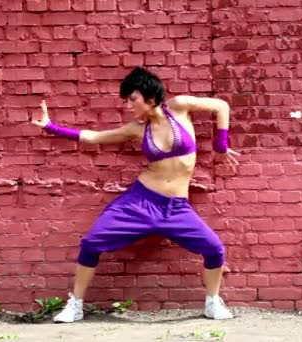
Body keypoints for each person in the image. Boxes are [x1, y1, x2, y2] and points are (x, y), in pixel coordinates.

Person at [31, 67, 240, 322]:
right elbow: (96, 137)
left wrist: (221, 144)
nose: (128, 105)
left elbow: (221, 106)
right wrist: (51, 127)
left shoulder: (179, 106)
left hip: (177, 208)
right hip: (142, 201)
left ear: (150, 97)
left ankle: (212, 302)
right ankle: (75, 305)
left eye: (132, 99)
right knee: (91, 244)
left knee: (214, 249)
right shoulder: (136, 129)